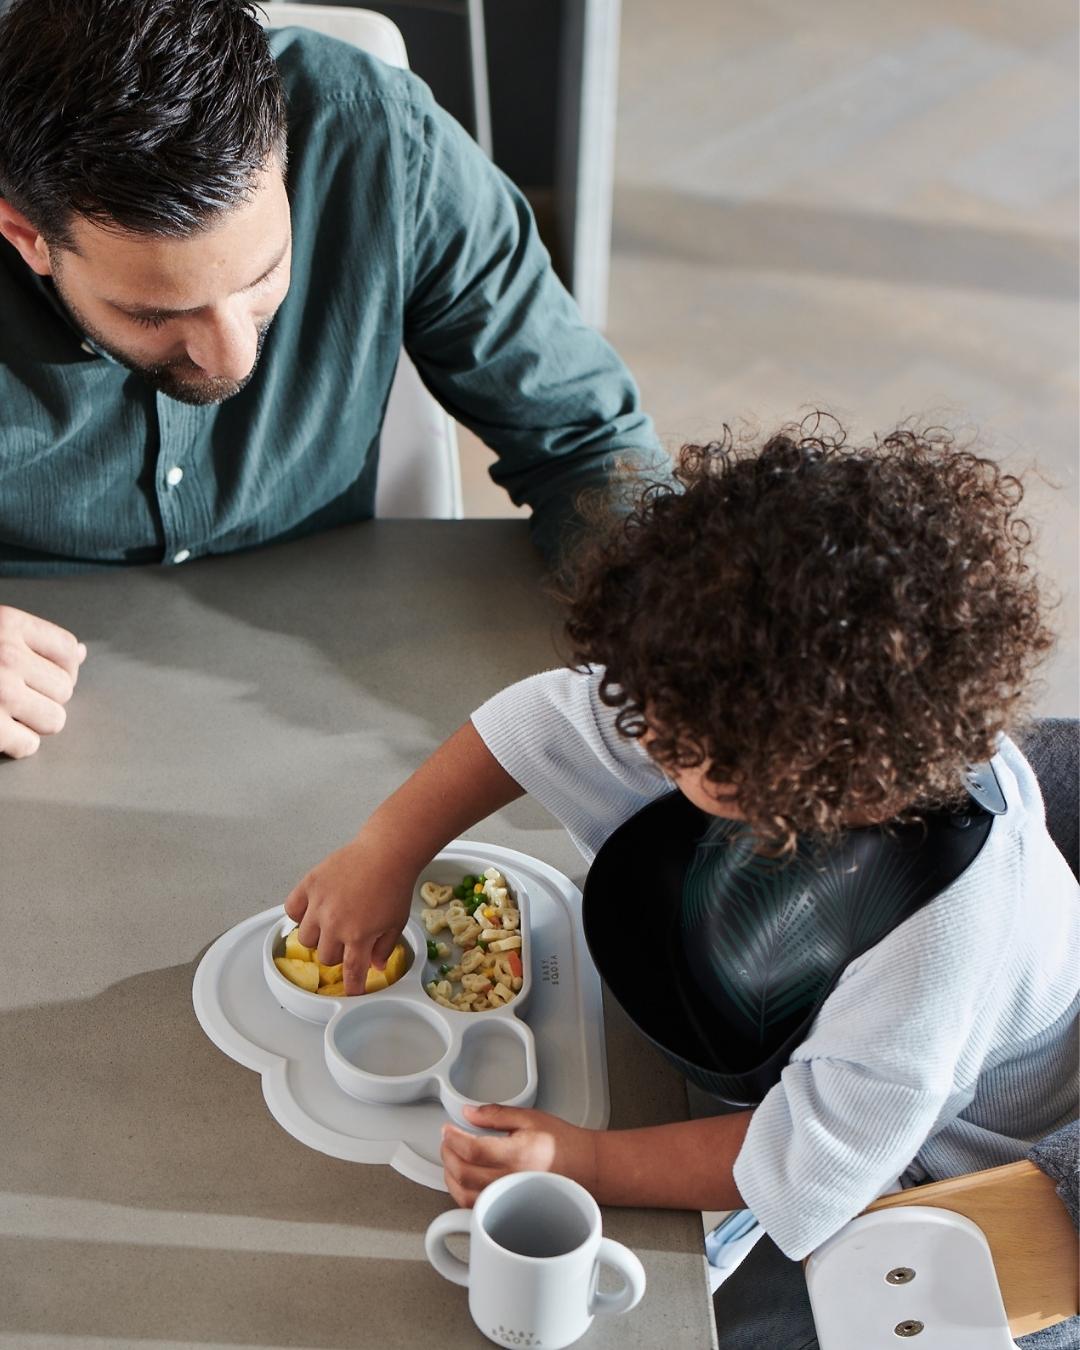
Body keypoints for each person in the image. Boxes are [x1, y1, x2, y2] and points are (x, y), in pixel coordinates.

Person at [283, 417, 1079, 1346]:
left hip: (939, 1163)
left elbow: (805, 1157)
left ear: (805, 785)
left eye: (680, 749)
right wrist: (385, 848)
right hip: (834, 1054)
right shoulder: (756, 703)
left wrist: (587, 1161)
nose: (644, 739)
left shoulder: (942, 945)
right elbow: (545, 718)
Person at [0, 0, 659, 759]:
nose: (234, 358)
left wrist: (665, 628)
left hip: (346, 688)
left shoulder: (381, 139)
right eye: (155, 313)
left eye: (264, 275)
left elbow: (588, 442)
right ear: (29, 238)